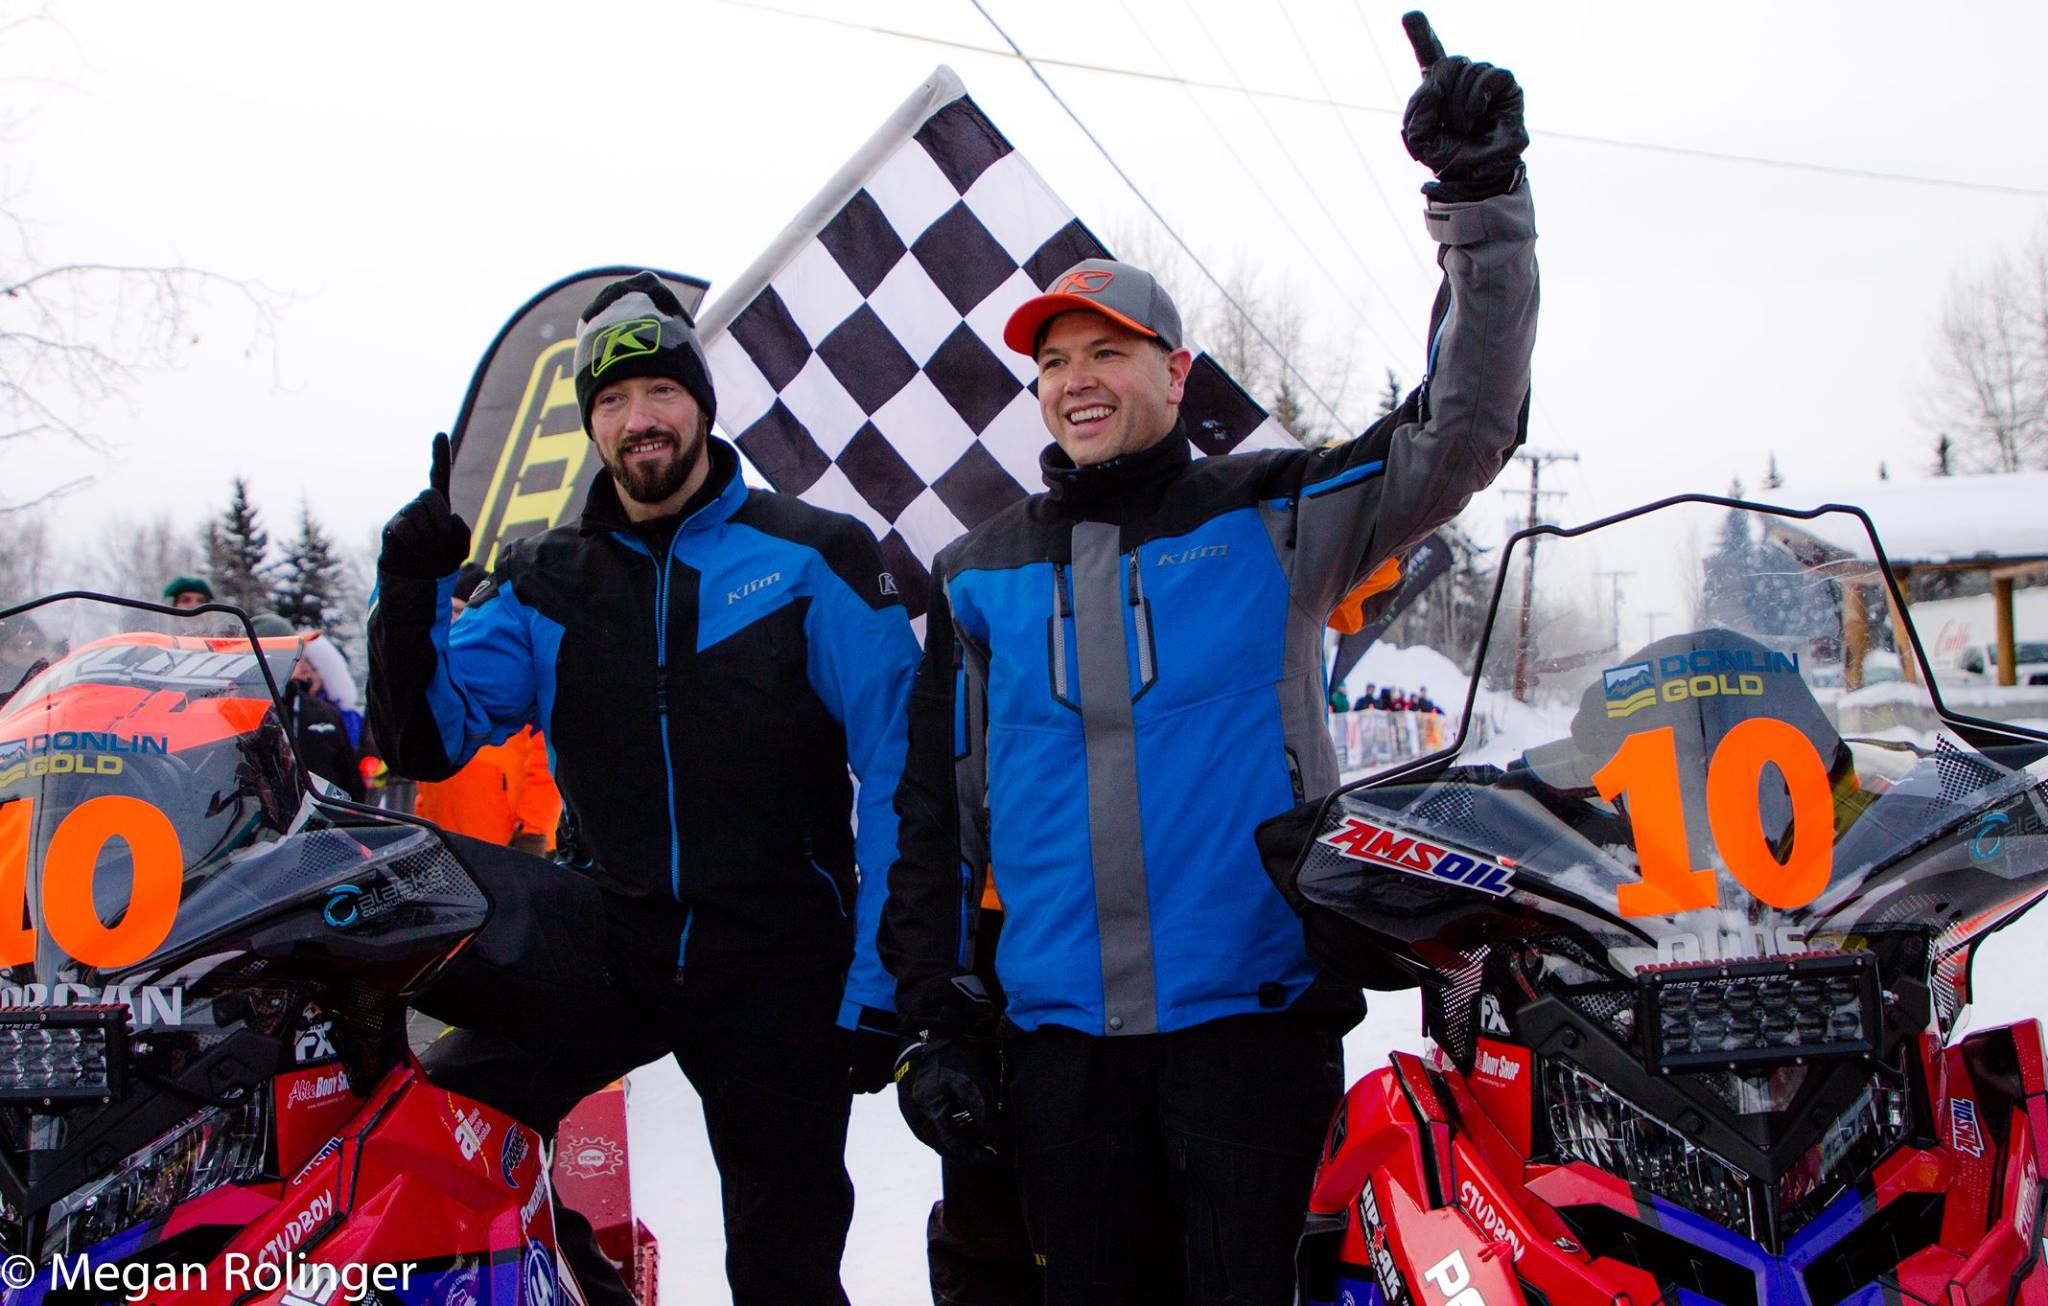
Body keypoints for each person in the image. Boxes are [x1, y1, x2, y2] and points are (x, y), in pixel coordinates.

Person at [882, 20, 1536, 1303]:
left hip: (1251, 1031)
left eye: (1107, 351)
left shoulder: (1277, 515)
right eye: (1054, 361)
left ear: (1172, 372)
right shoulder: (977, 571)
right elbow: (935, 823)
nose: (1076, 379)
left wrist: (1481, 209)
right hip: (1058, 1053)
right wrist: (936, 1021)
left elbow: (1462, 429)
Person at [367, 272, 918, 1305]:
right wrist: (410, 590)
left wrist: (879, 980)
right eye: (610, 403)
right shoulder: (547, 577)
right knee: (447, 1117)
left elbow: (900, 774)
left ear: (700, 405)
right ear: (591, 426)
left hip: (777, 954)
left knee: (783, 1262)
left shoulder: (812, 554)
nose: (637, 420)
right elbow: (426, 738)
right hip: (613, 938)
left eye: (659, 392)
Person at [411, 564, 561, 856]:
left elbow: (547, 761)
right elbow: (430, 773)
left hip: (506, 845)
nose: (451, 621)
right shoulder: (437, 678)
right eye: (447, 612)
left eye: (459, 611)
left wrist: (531, 830)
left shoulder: (513, 677)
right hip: (449, 841)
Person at [255, 613, 367, 801]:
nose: (297, 663)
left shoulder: (322, 713)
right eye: (281, 654)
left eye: (297, 655)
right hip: (258, 823)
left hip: (319, 822)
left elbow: (352, 787)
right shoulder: (235, 711)